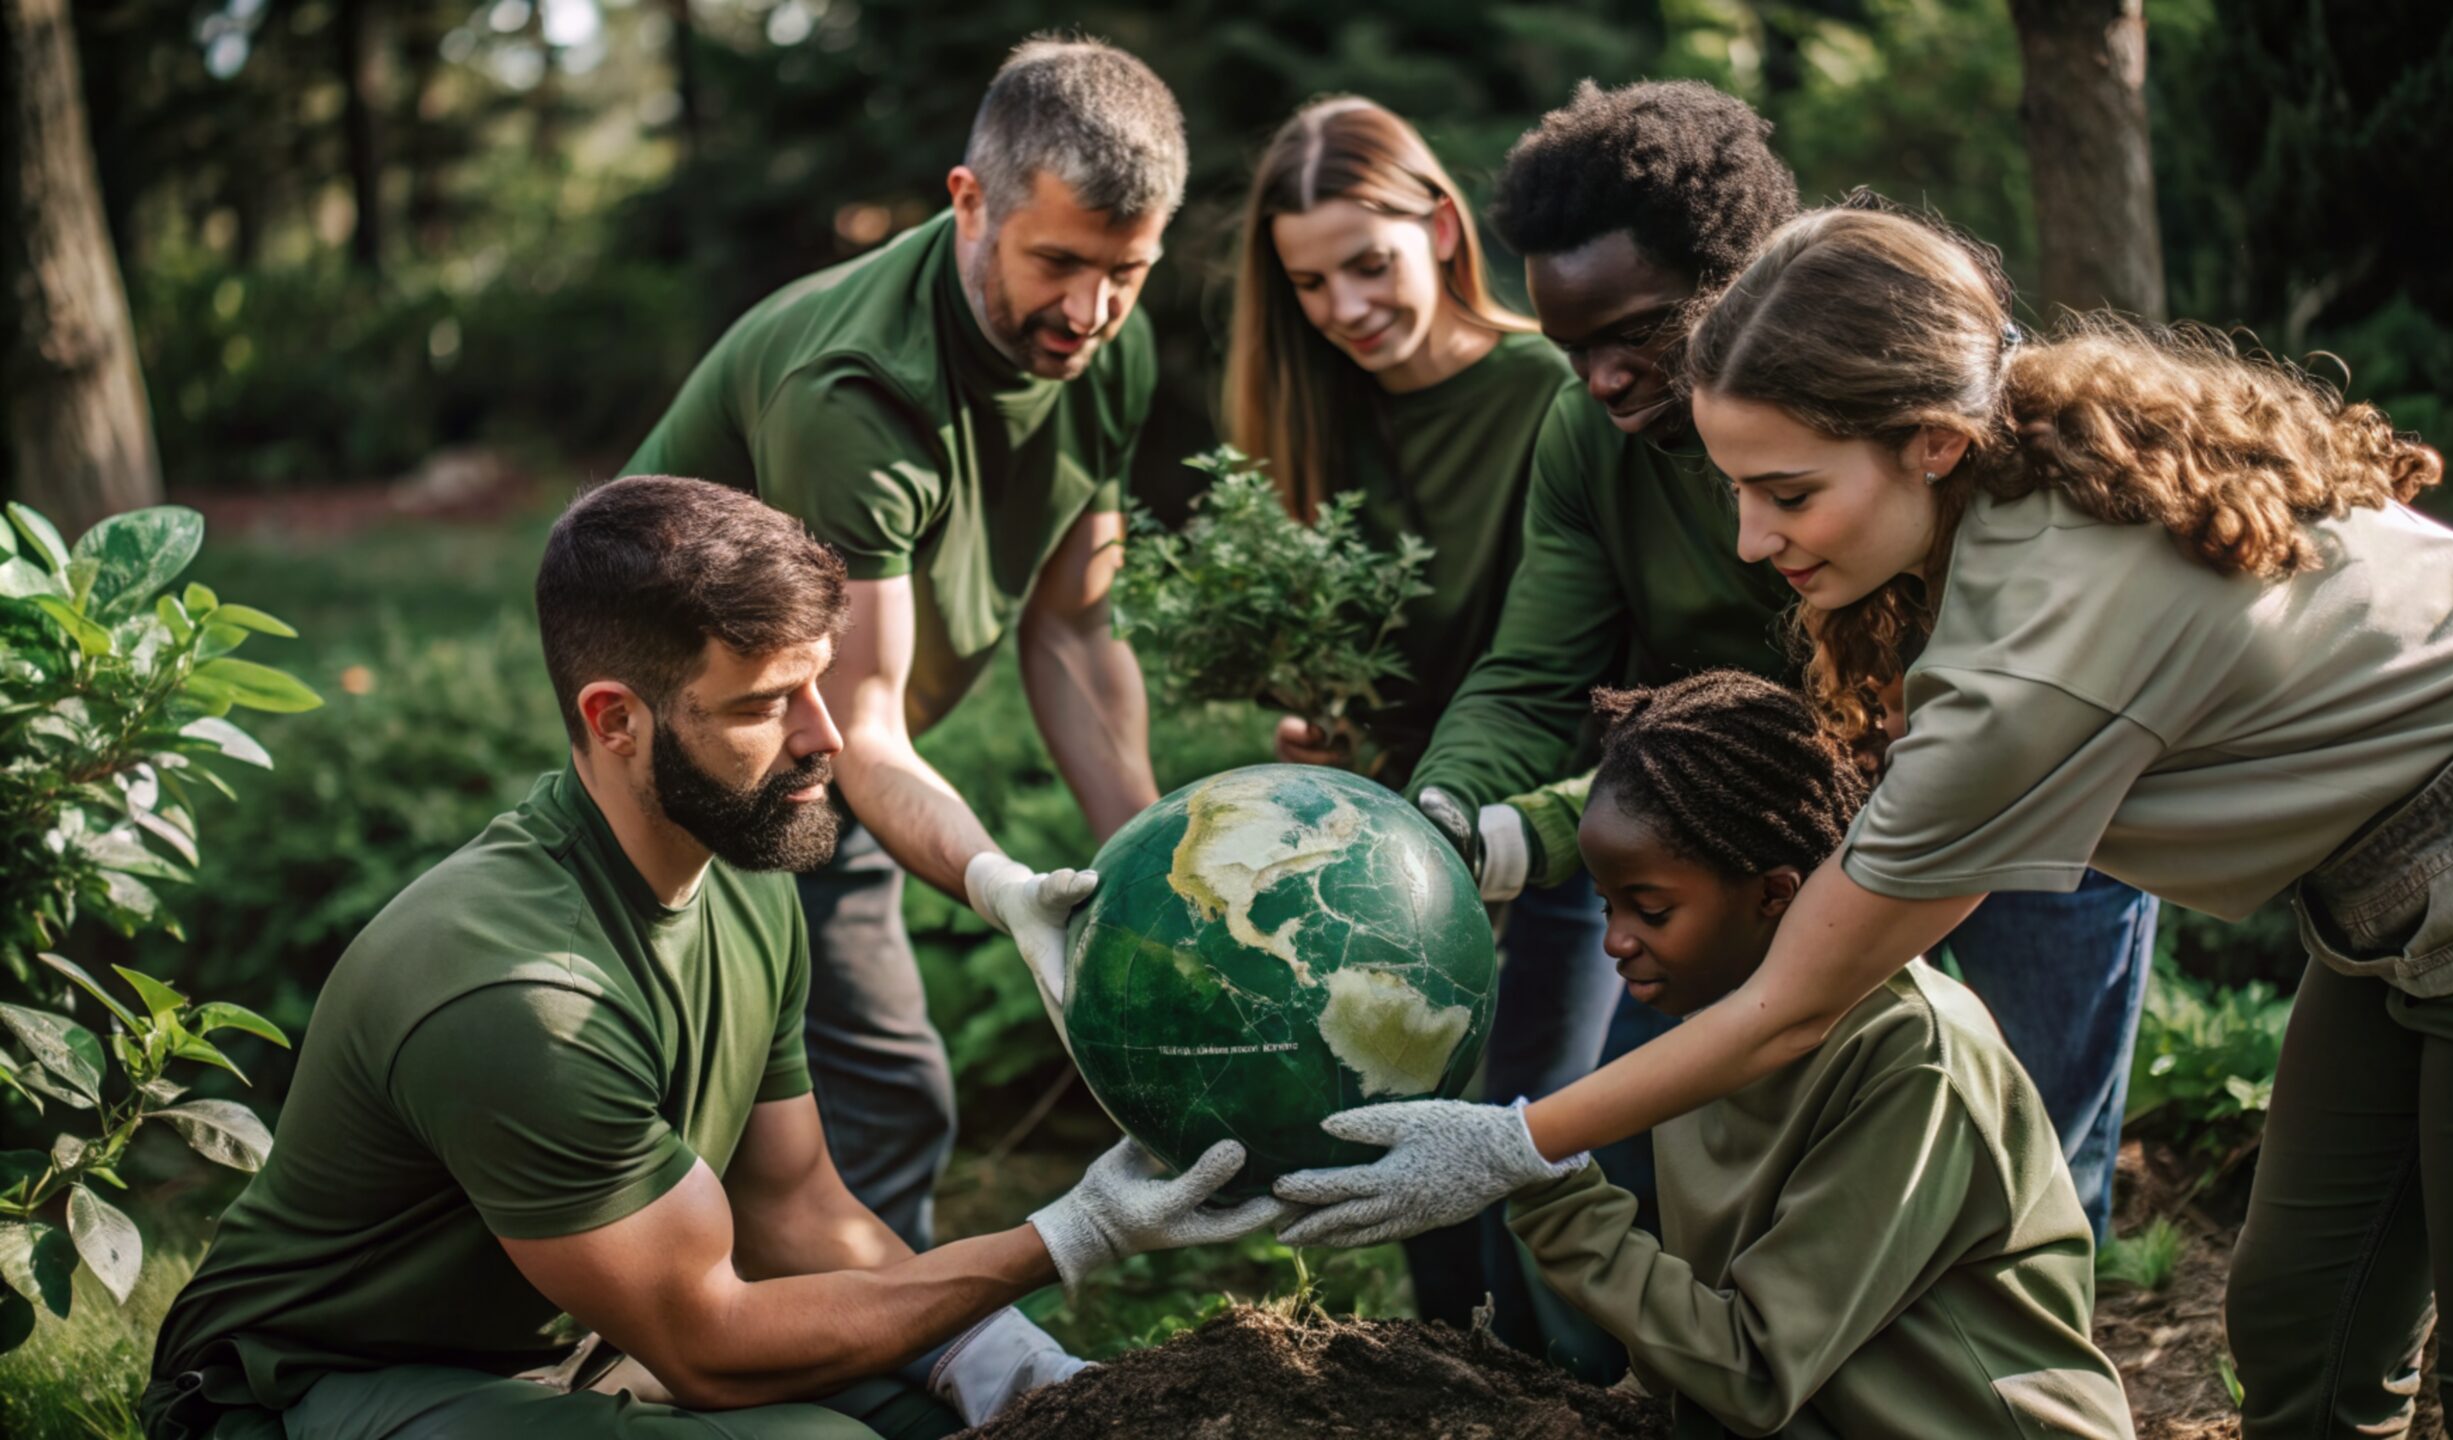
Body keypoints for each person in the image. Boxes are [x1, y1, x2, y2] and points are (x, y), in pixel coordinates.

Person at [1282, 204, 2453, 1437]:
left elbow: (1795, 997)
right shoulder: (2014, 476)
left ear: (1931, 441)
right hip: (2394, 891)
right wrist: (1502, 838)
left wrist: (1511, 1142)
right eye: (1733, 488)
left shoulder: (2033, 654)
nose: (1747, 539)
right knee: (2305, 1323)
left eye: (1785, 492)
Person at [143, 477, 1284, 1440]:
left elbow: (794, 1213)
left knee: (955, 1409)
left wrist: (1009, 1367)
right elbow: (708, 1348)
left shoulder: (741, 872)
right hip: (310, 1393)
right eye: (766, 704)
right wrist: (1068, 1236)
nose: (826, 741)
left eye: (820, 686)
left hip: (584, 1343)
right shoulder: (518, 995)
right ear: (615, 719)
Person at [1403, 80, 2159, 1245]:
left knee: (2034, 1156)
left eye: (1636, 334)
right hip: (1765, 832)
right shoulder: (1587, 447)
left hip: (2022, 800)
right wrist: (1445, 814)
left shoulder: (1910, 430)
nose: (1603, 380)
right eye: (1571, 351)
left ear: (1742, 294)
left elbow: (1899, 723)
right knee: (1645, 1166)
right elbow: (1534, 673)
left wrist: (1538, 835)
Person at [621, 37, 1184, 1250]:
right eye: (1058, 264)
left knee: (863, 1113)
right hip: (687, 758)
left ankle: (850, 1357)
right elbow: (861, 718)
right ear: (968, 201)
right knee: (844, 1102)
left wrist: (1153, 871)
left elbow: (1075, 626)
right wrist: (1008, 893)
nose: (1089, 312)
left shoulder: (1107, 350)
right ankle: (825, 1367)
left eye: (1125, 273)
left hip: (816, 750)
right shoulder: (859, 393)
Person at [1500, 668, 2135, 1439]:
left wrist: (1548, 1185)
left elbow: (1756, 1371)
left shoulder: (1914, 1059)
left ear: (1774, 893)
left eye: (1652, 909)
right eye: (1608, 905)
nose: (1616, 942)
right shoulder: (1702, 1032)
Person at [1222, 94, 1578, 1328]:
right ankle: (1449, 1374)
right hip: (1385, 844)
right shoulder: (1317, 416)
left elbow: (1569, 647)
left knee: (1522, 1123)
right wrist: (1319, 722)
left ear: (1438, 224)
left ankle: (1557, 1388)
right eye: (1311, 286)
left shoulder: (1552, 388)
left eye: (1367, 265)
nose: (1346, 309)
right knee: (1395, 1126)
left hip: (1549, 825)